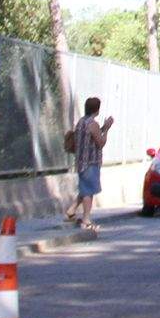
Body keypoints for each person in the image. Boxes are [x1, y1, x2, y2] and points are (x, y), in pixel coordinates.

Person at [63, 96, 112, 232]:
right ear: (97, 109)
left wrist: (102, 127)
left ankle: (71, 211)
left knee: (85, 188)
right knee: (88, 192)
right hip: (90, 162)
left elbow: (90, 136)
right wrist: (107, 129)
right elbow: (100, 143)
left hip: (80, 161)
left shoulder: (81, 122)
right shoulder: (92, 124)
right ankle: (86, 219)